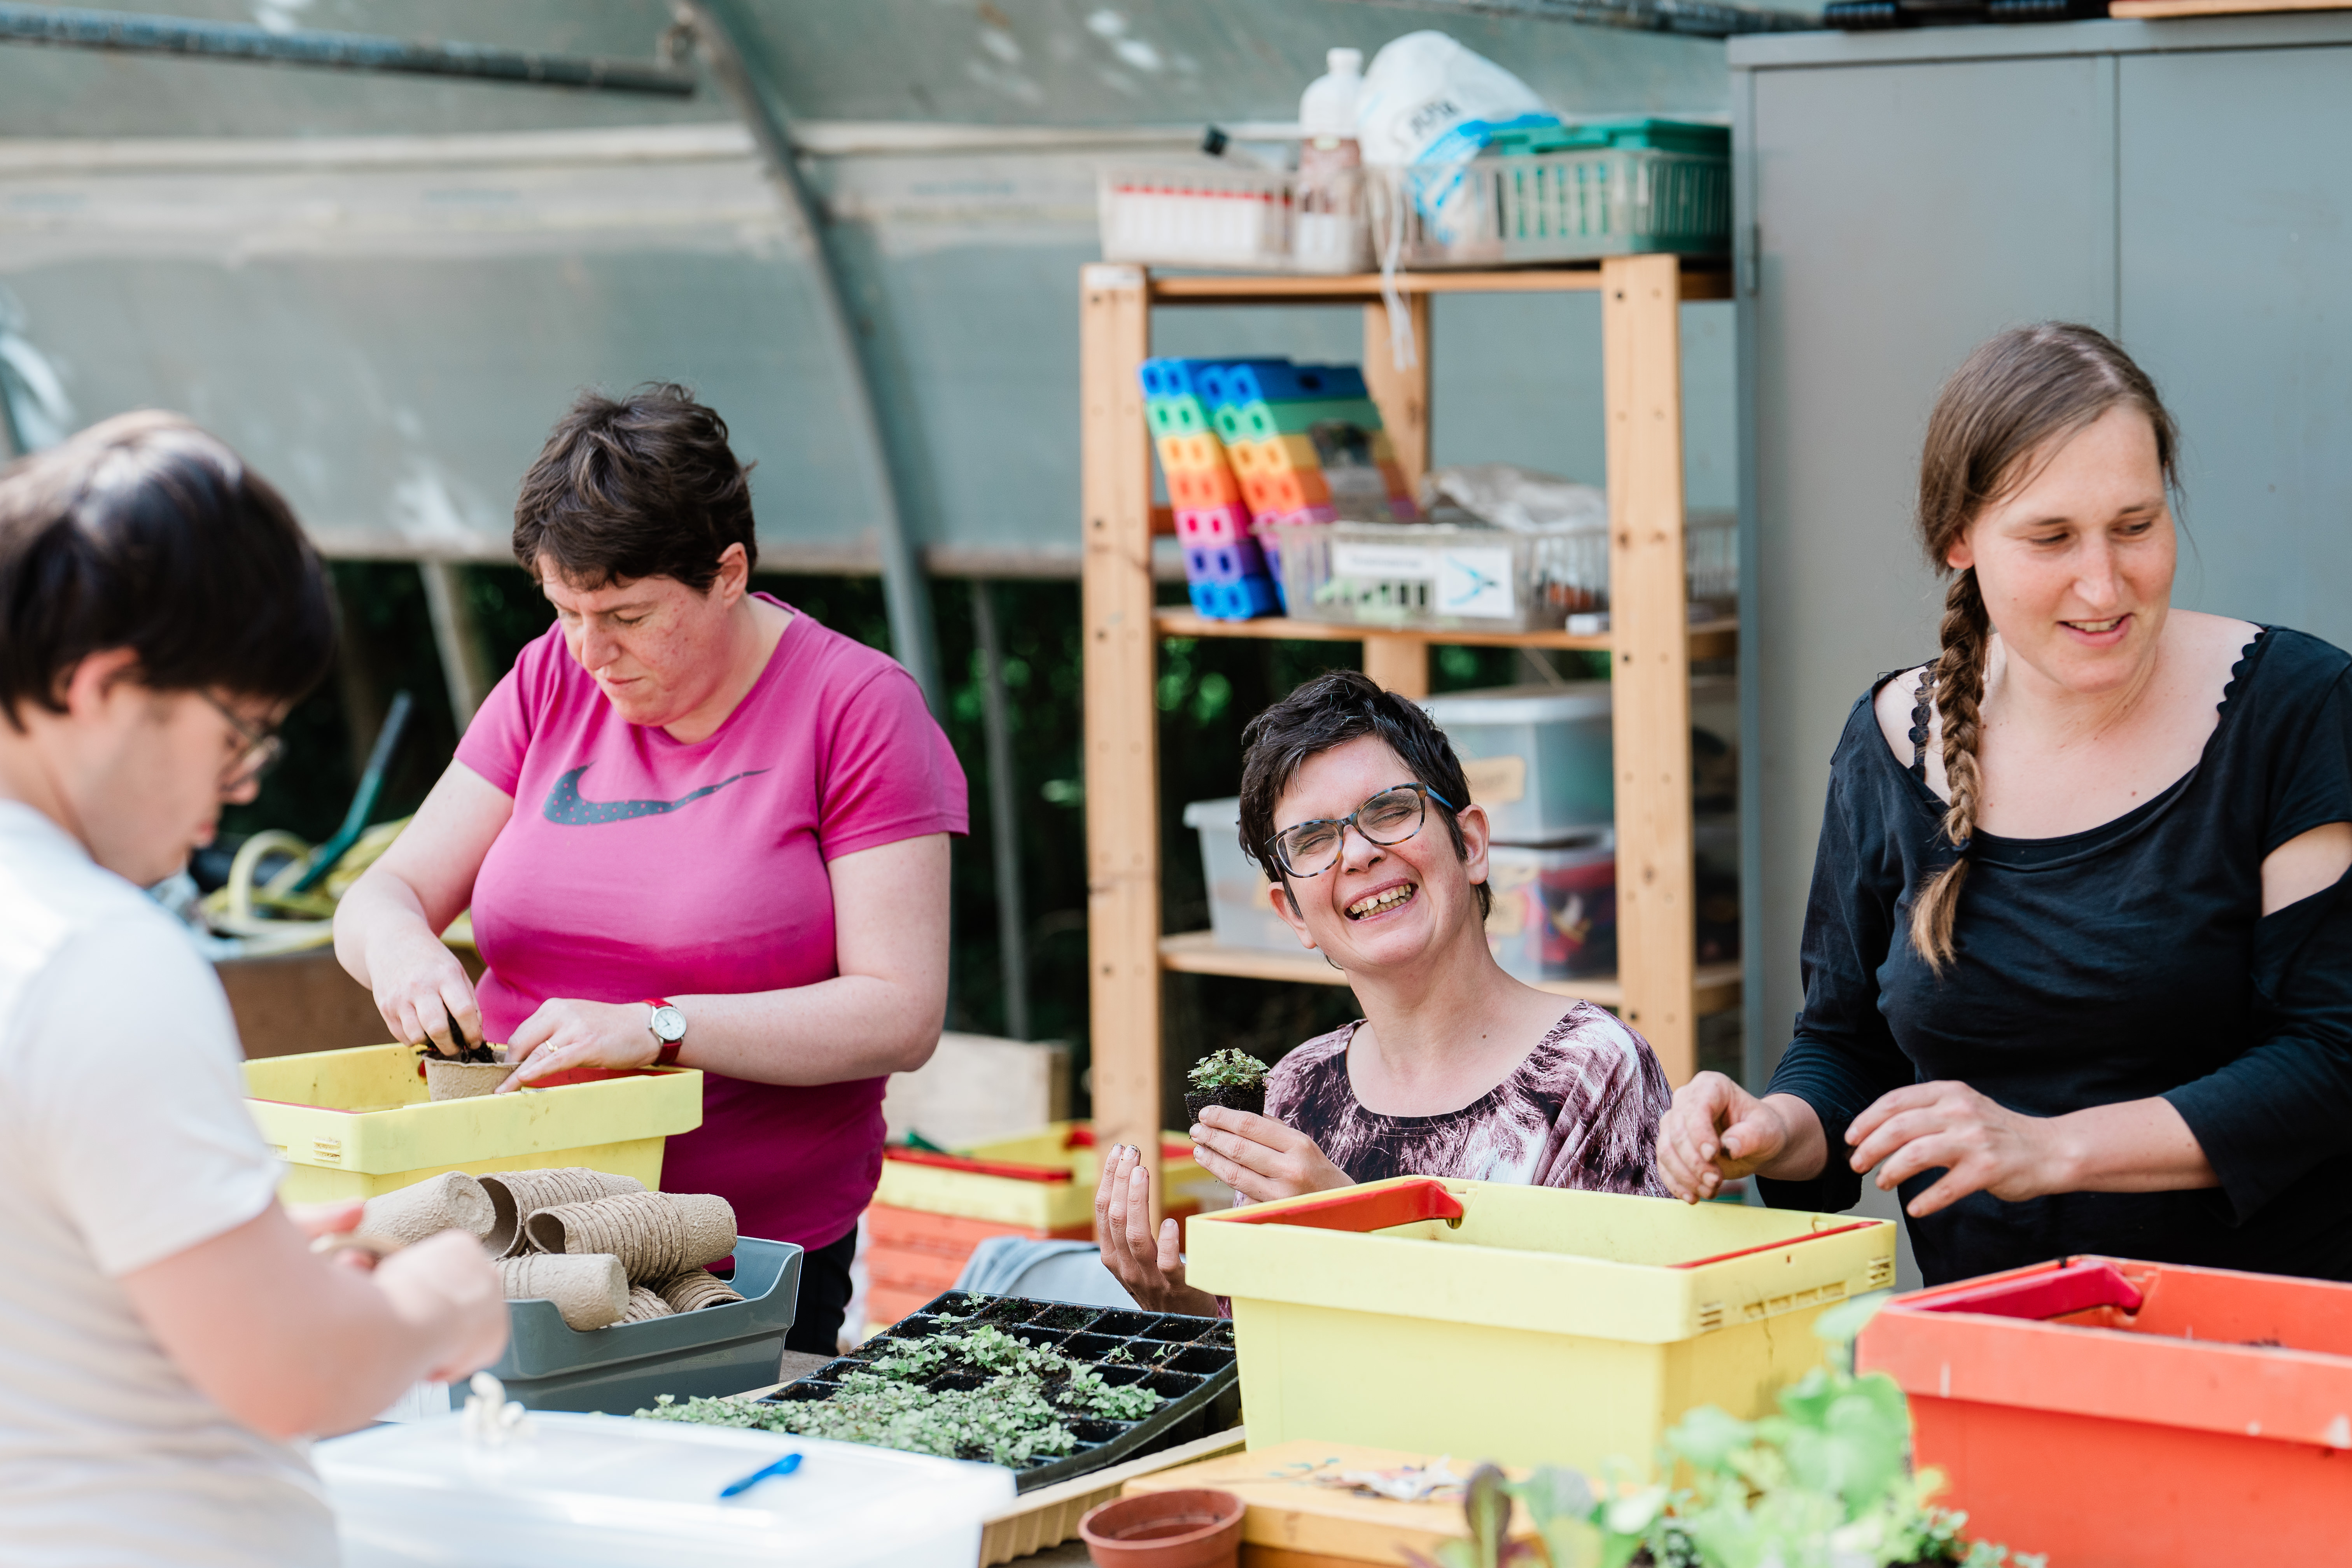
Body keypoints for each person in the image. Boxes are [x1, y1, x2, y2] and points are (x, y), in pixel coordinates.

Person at [1659, 323, 2352, 1285]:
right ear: (1959, 539)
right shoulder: (1889, 742)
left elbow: (2330, 1059)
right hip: (1995, 1347)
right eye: (2051, 538)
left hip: (2268, 1345)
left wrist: (2046, 1147)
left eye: (2137, 525)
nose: (2105, 583)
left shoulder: (2296, 708)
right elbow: (1844, 1044)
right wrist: (1772, 1129)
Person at [334, 385, 966, 1353]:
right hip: (519, 1221)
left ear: (729, 573)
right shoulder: (552, 674)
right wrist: (401, 953)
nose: (592, 650)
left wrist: (658, 1029)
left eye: (626, 615)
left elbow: (900, 1012)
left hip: (742, 1246)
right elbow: (385, 893)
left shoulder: (859, 709)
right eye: (566, 609)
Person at [0, 414, 508, 1566]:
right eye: (239, 737)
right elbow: (300, 1375)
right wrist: (436, 1303)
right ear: (106, 688)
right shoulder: (98, 957)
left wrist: (240, 1261)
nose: (235, 793)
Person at [1096, 669, 1670, 1314]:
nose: (1359, 853)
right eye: (1313, 839)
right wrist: (1193, 1310)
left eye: (1391, 810)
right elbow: (1290, 1353)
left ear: (1472, 845)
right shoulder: (1294, 1089)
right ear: (1294, 916)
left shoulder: (1593, 1069)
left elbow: (1597, 1346)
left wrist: (1357, 1221)